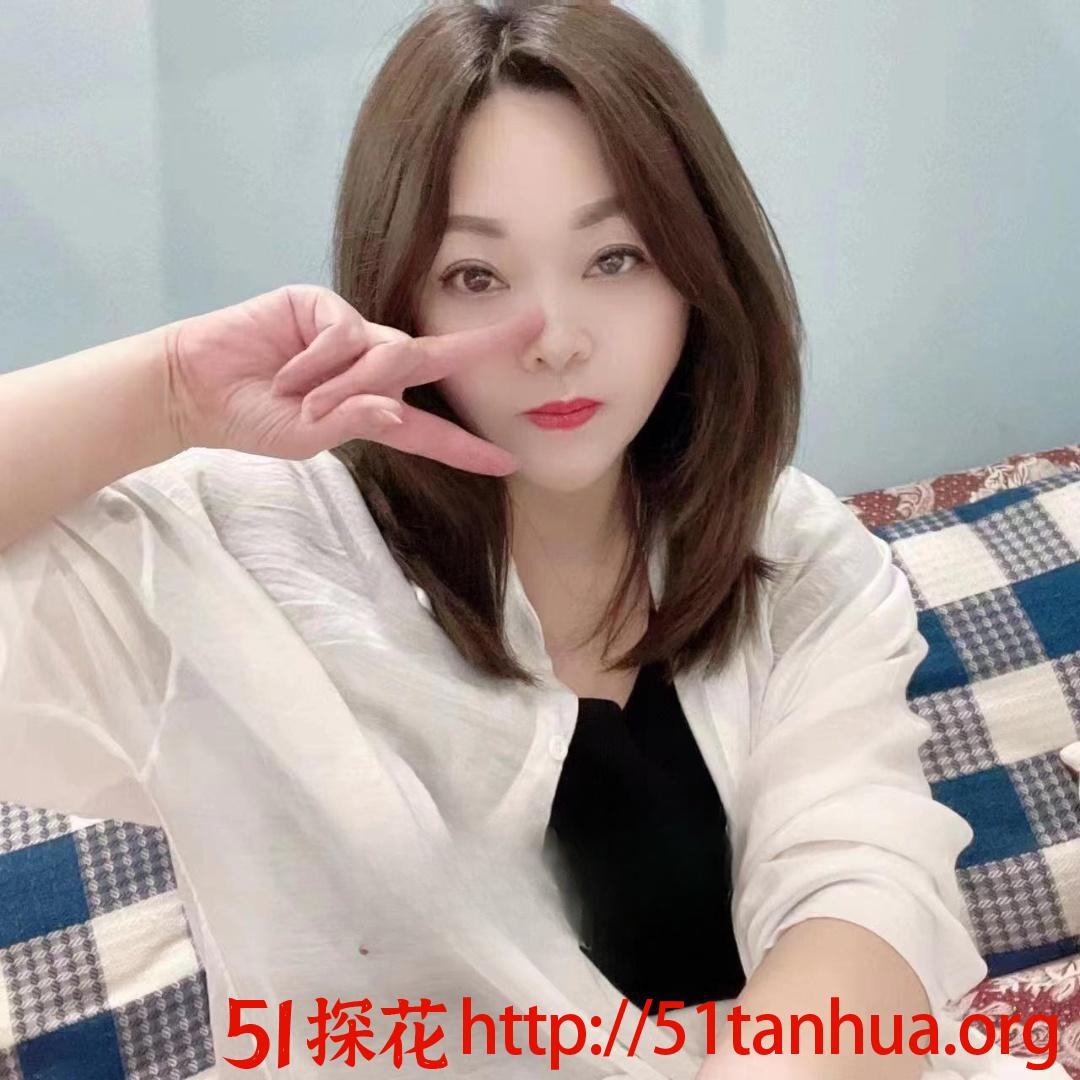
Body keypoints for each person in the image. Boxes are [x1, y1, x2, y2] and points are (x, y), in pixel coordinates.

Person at [0, 2, 1063, 1078]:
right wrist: (169, 390)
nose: (555, 341)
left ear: (699, 273)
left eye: (616, 257)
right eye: (476, 277)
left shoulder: (787, 548)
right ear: (400, 290)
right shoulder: (248, 555)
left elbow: (864, 886)